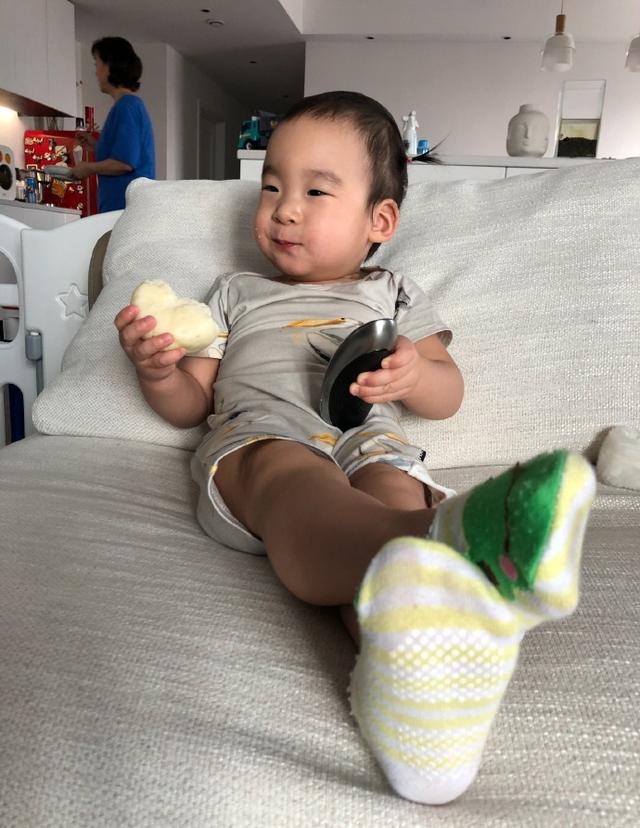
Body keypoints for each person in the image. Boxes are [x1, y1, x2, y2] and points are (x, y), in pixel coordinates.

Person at [114, 91, 596, 805]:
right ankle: (447, 541)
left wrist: (415, 373)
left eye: (315, 191)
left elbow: (448, 392)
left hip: (371, 438)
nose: (285, 209)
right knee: (297, 483)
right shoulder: (236, 292)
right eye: (272, 186)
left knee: (390, 490)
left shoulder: (392, 292)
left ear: (381, 221)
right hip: (264, 436)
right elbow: (191, 402)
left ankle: (422, 723)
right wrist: (159, 372)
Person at [72, 37, 155, 212]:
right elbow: (125, 154)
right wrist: (96, 146)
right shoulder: (127, 106)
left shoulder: (126, 107)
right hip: (125, 210)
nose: (96, 72)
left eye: (97, 64)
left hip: (125, 211)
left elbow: (124, 163)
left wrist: (88, 168)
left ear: (109, 66)